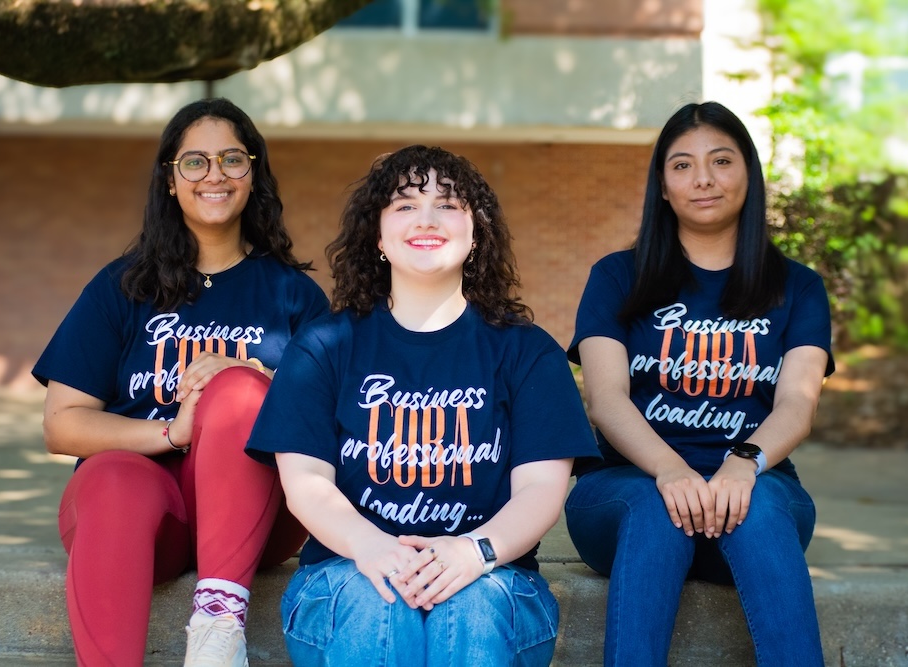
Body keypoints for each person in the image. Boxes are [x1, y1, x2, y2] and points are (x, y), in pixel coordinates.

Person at [245, 145, 600, 666]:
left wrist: (473, 551)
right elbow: (306, 484)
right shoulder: (324, 346)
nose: (427, 219)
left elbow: (542, 489)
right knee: (379, 602)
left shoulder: (527, 351)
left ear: (476, 231)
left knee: (472, 605)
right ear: (377, 233)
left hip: (496, 578)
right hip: (346, 573)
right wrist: (372, 548)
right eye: (406, 205)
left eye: (449, 204)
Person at [32, 97, 330, 666]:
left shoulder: (295, 296)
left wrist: (257, 375)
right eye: (194, 161)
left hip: (259, 518)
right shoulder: (122, 287)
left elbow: (333, 422)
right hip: (142, 521)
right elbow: (61, 425)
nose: (214, 174)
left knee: (241, 391)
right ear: (170, 179)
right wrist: (173, 432)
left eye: (232, 159)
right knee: (116, 476)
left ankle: (218, 635)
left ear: (253, 173)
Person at [563, 101, 834, 666]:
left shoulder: (798, 287)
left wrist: (744, 463)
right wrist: (670, 469)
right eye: (682, 165)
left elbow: (797, 404)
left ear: (748, 174)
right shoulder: (616, 277)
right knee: (657, 508)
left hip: (754, 494)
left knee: (757, 506)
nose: (703, 179)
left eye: (721, 161)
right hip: (625, 496)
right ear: (662, 185)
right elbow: (605, 400)